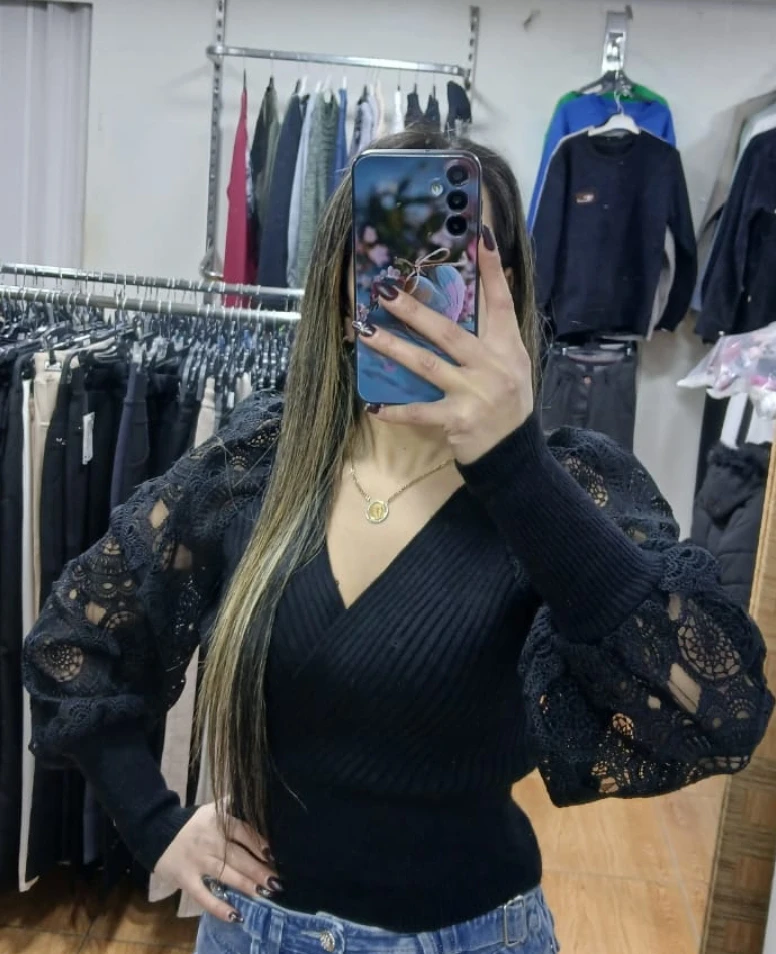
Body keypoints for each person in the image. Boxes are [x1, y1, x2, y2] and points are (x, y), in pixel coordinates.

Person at [24, 129, 773, 954]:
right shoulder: (258, 465)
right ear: (345, 294)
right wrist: (156, 824)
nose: (418, 295)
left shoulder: (571, 487)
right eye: (386, 264)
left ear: (506, 290)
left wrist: (516, 467)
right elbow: (74, 639)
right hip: (257, 932)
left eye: (454, 266)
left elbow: (719, 712)